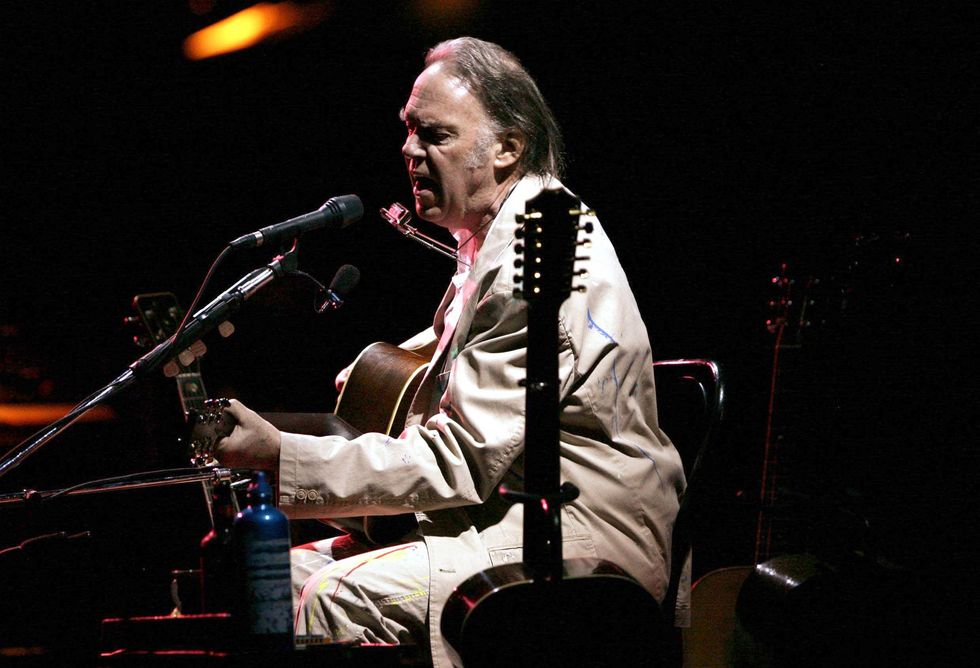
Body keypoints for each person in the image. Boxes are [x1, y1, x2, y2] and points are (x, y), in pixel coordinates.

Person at [215, 36, 687, 667]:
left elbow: (458, 461)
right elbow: (476, 347)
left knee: (334, 596)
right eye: (409, 129)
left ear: (507, 148)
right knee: (274, 577)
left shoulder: (535, 255)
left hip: (581, 540)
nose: (410, 150)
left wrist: (283, 456)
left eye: (435, 135)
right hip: (499, 515)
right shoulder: (502, 232)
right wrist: (384, 368)